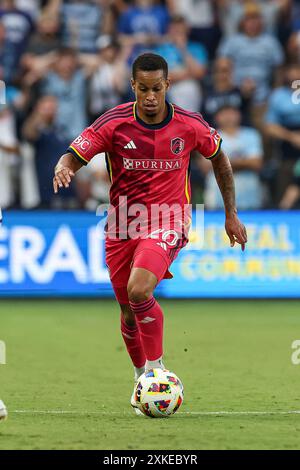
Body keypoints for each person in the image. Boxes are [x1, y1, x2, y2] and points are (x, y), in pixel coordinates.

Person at [52, 53, 247, 413]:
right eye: (143, 89)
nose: (151, 96)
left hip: (169, 218)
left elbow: (219, 158)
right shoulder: (114, 123)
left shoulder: (189, 125)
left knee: (139, 288)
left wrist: (231, 215)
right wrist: (63, 167)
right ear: (133, 87)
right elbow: (75, 155)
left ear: (167, 85)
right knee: (128, 311)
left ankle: (157, 373)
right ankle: (141, 377)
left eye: (157, 88)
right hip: (123, 224)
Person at [201, 105, 263, 210]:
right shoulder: (208, 136)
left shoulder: (251, 134)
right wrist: (243, 162)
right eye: (224, 113)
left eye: (232, 112)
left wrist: (221, 163)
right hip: (218, 197)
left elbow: (256, 163)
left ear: (239, 115)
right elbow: (205, 166)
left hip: (249, 195)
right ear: (217, 117)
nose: (228, 116)